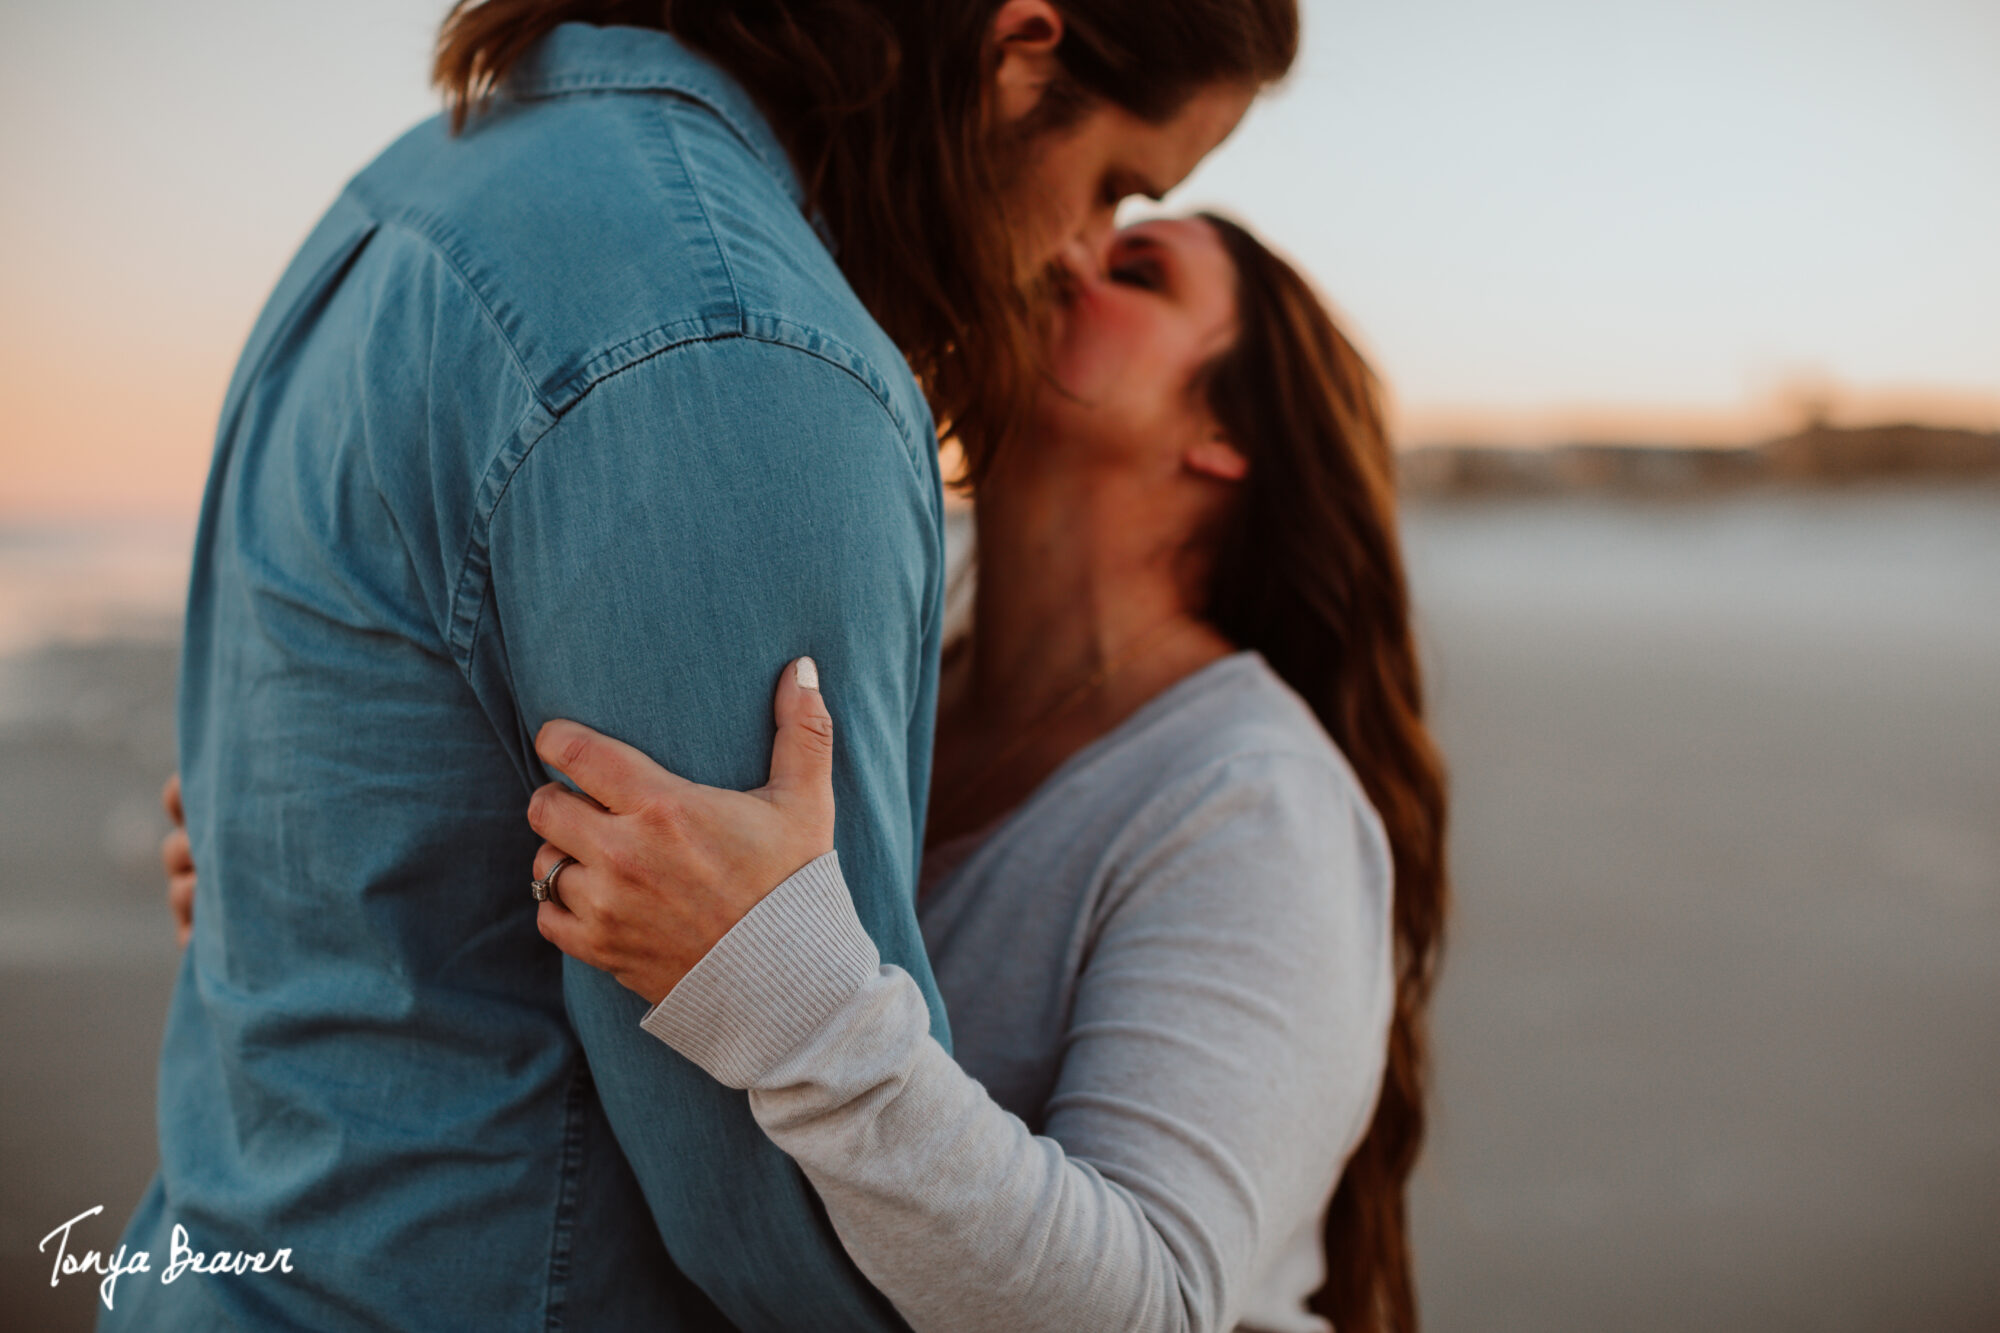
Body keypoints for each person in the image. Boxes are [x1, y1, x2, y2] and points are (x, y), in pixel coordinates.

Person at [120, 1, 1295, 1328]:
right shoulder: (738, 351)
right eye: (1112, 189)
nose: (1075, 255)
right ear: (1023, 49)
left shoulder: (413, 185)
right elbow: (767, 1210)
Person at [516, 215, 1451, 1332]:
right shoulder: (902, 692)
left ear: (1222, 434)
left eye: (1136, 271)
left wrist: (773, 979)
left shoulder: (1255, 798)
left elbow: (1145, 1308)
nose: (1067, 251)